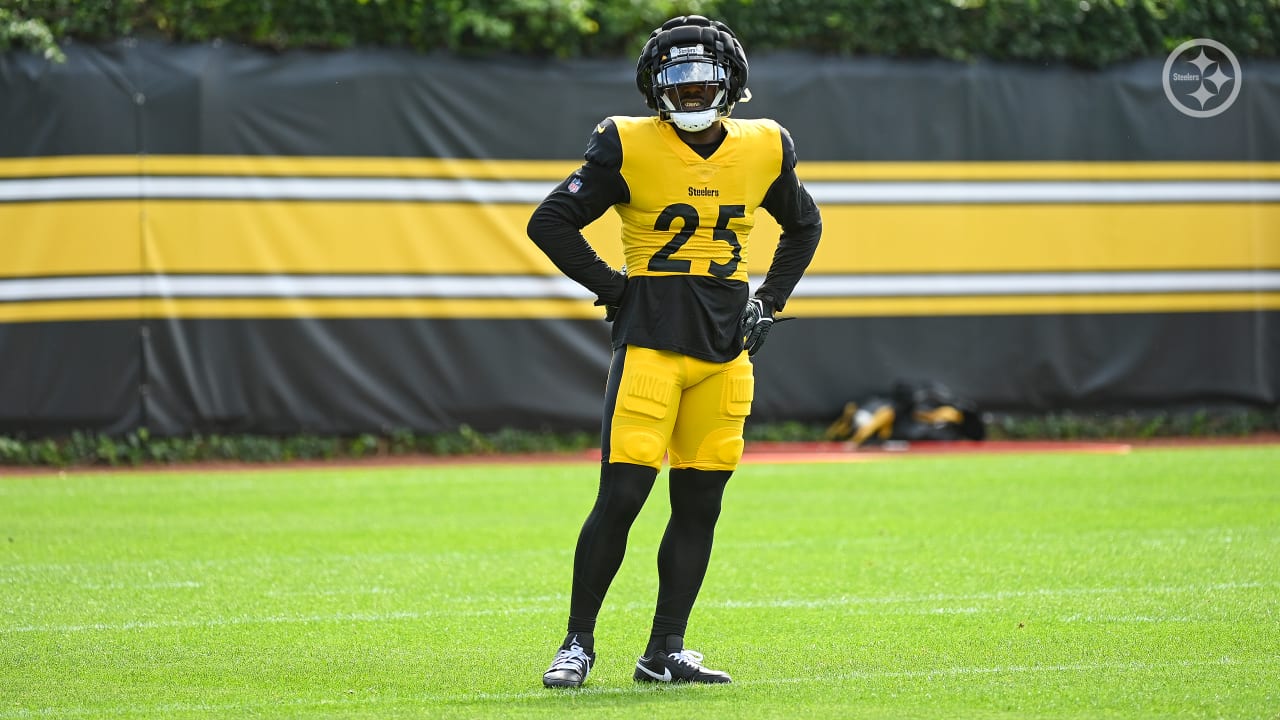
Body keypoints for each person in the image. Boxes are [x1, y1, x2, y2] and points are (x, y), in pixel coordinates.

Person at [527, 14, 822, 688]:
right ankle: (577, 643)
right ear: (655, 87)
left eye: (703, 80)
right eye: (678, 81)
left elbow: (804, 225)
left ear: (731, 85)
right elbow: (551, 221)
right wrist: (615, 288)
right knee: (622, 498)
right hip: (651, 347)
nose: (691, 92)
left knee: (699, 505)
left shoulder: (765, 146)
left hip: (725, 351)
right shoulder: (626, 142)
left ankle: (665, 649)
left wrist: (769, 300)